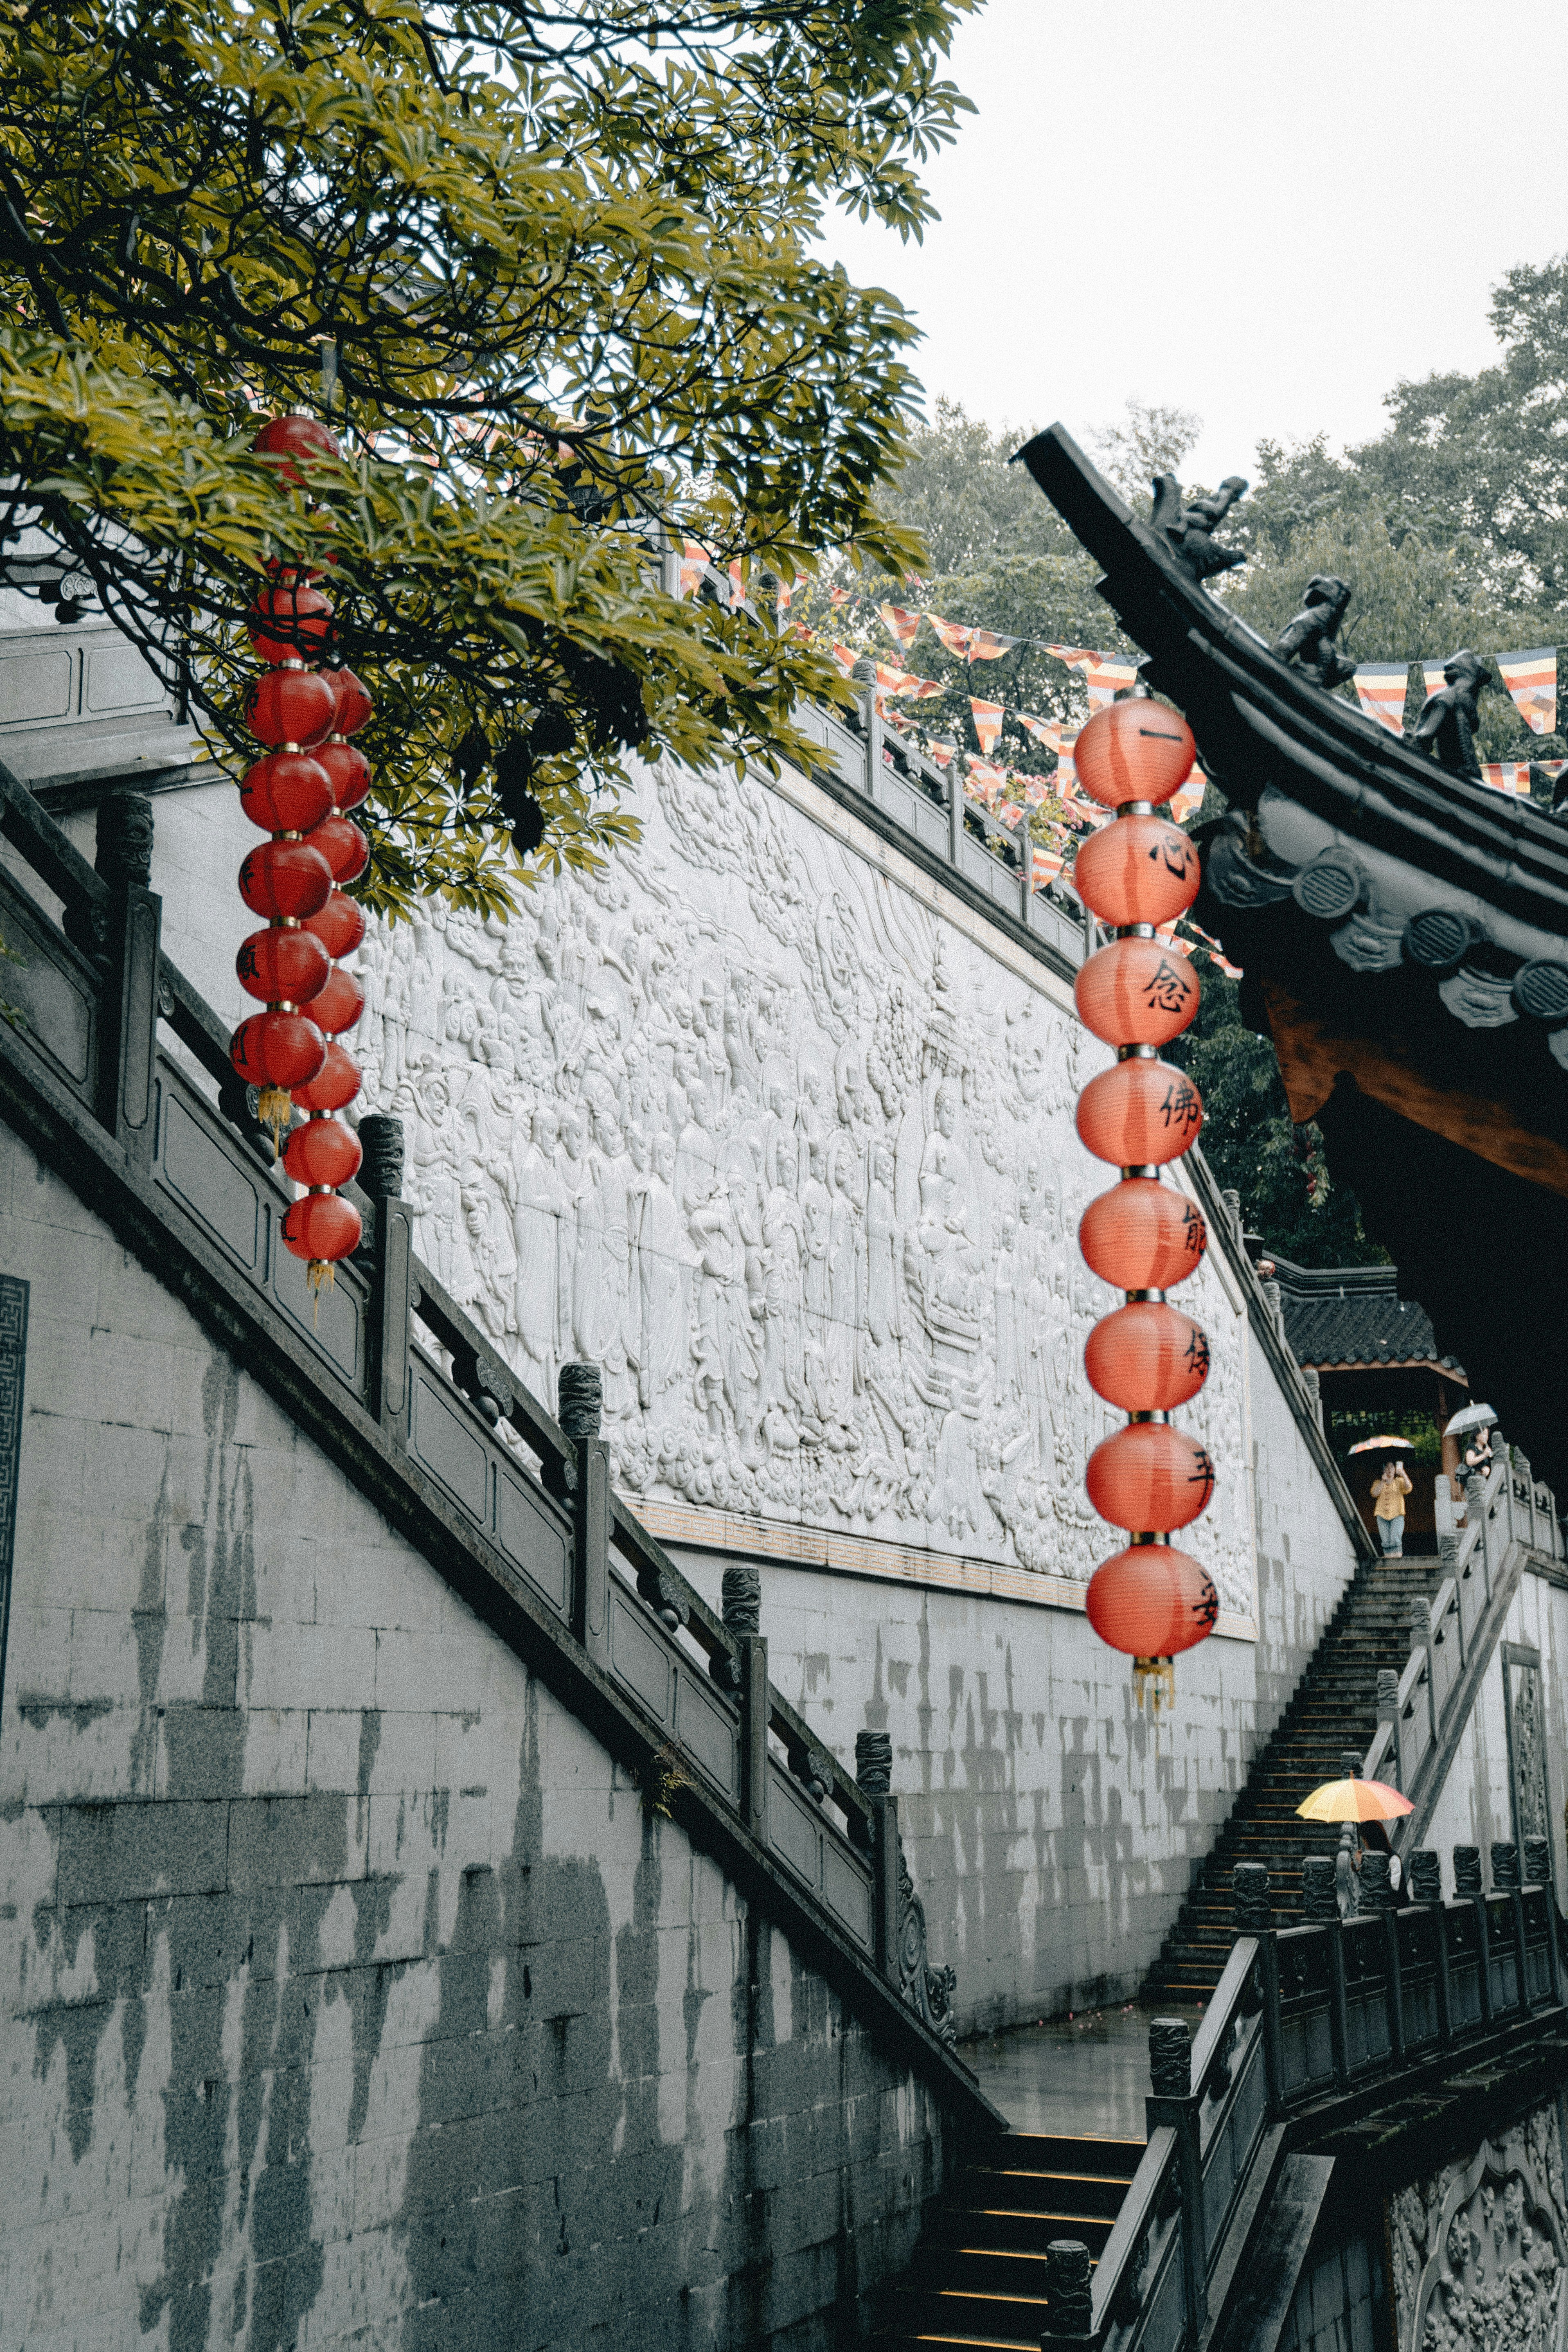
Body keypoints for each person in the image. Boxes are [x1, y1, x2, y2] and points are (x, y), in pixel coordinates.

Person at [1372, 1457, 1413, 1559]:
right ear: (1383, 1470)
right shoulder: (1378, 1483)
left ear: (1395, 1470)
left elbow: (1409, 1488)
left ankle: (1397, 1558)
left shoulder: (1399, 1482)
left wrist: (1403, 1474)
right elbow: (1375, 1493)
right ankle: (1388, 1558)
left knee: (1396, 1538)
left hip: (1397, 1514)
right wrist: (1383, 1481)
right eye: (1387, 1467)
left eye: (1392, 1467)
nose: (1389, 1470)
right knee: (1385, 1540)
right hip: (1382, 1514)